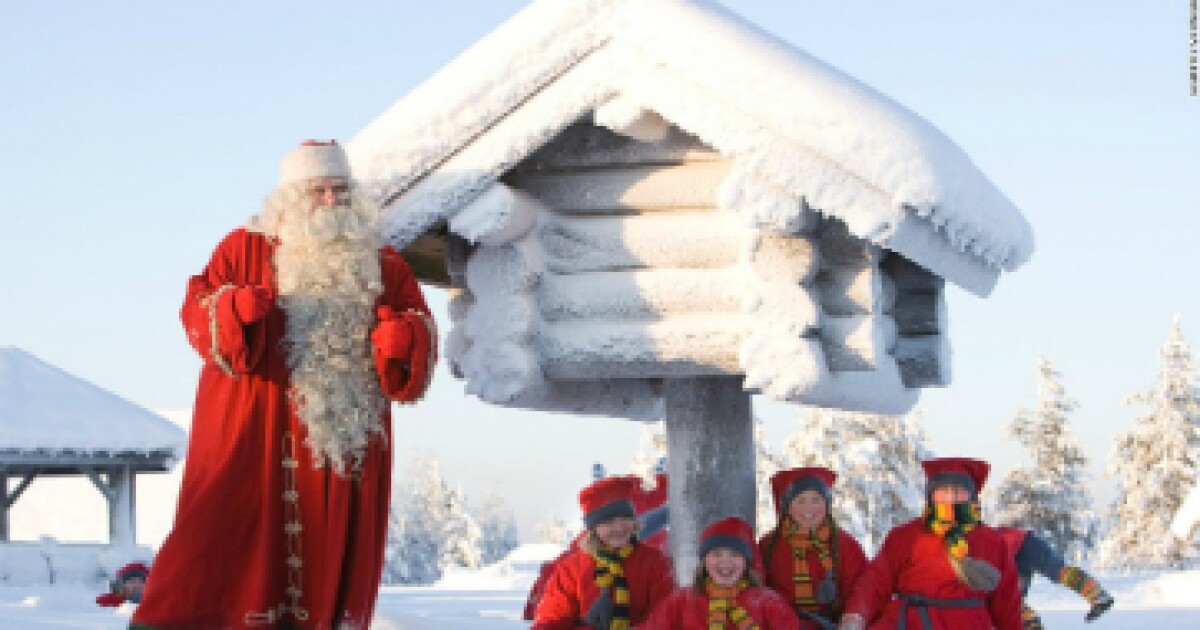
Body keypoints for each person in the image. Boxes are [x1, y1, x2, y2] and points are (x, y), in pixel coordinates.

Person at [130, 140, 437, 629]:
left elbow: (421, 328)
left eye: (340, 190)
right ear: (291, 197)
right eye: (319, 191)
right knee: (218, 541)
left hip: (342, 442)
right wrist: (233, 311)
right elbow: (195, 311)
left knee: (325, 560)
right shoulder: (242, 248)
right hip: (255, 432)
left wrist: (404, 340)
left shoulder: (383, 263)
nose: (332, 201)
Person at [839, 457, 1022, 630]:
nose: (950, 499)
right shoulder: (905, 536)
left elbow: (1007, 601)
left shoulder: (991, 542)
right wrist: (856, 614)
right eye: (943, 492)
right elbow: (876, 582)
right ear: (931, 496)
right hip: (910, 623)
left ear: (972, 497)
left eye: (959, 492)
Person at [532, 475, 676, 629]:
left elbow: (669, 618)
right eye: (608, 522)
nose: (619, 528)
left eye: (625, 519)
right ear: (593, 528)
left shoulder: (655, 563)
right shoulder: (571, 571)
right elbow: (549, 624)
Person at [640, 515, 799, 629]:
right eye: (716, 554)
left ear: (746, 563)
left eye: (734, 554)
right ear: (704, 561)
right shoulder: (682, 601)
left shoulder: (769, 602)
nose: (725, 561)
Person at [759, 467, 867, 629]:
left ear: (827, 504)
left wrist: (853, 616)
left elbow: (861, 589)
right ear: (787, 507)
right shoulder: (768, 546)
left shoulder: (846, 545)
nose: (808, 508)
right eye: (801, 501)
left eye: (816, 500)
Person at [994, 526, 1114, 629]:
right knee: (1011, 602)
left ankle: (1097, 595)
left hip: (1025, 544)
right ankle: (1033, 626)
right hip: (1014, 557)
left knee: (1056, 570)